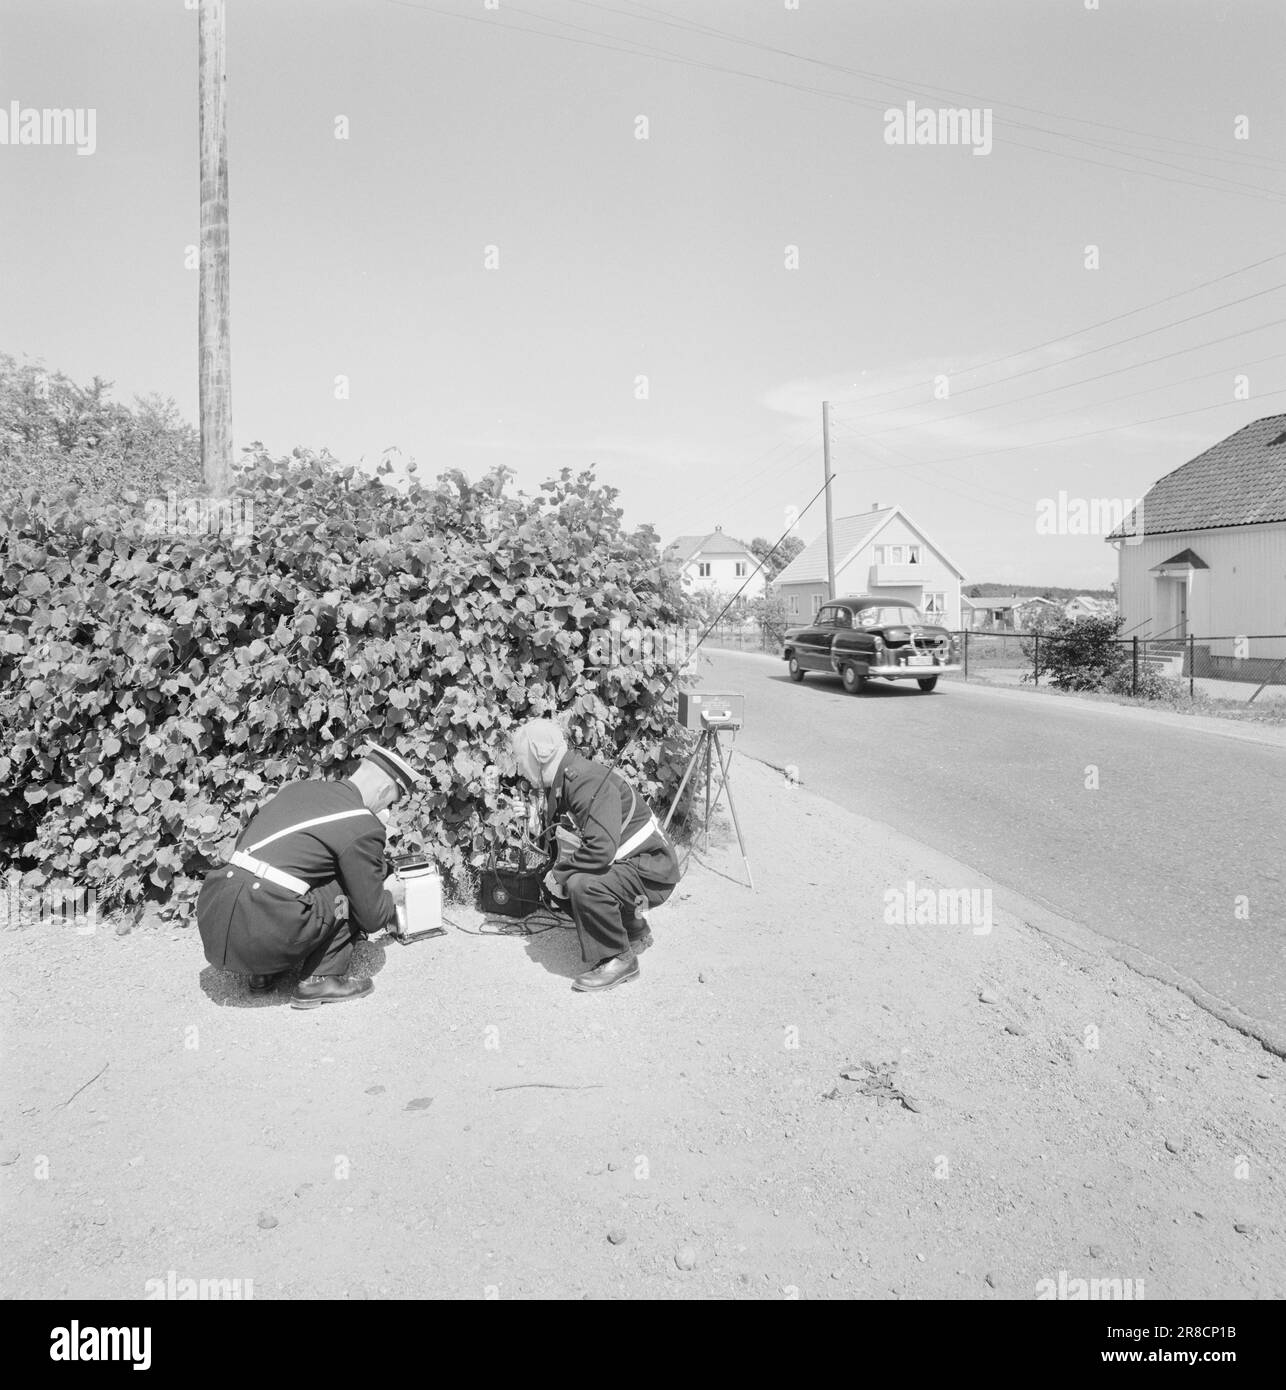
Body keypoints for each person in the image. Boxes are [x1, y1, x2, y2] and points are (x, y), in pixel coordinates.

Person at [196, 743, 419, 1008]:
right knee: (353, 893)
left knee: (282, 875)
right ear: (383, 790)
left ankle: (263, 973)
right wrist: (389, 893)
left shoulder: (299, 790)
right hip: (265, 930)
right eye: (390, 800)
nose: (387, 808)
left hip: (216, 918)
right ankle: (320, 979)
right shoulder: (362, 822)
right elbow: (371, 917)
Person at [508, 719, 679, 992]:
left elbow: (600, 850)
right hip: (639, 866)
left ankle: (620, 959)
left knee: (579, 884)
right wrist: (532, 823)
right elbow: (566, 838)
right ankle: (634, 931)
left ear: (539, 755)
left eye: (521, 758)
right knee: (557, 877)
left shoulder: (583, 781)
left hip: (652, 873)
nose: (520, 767)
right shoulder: (569, 777)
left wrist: (559, 875)